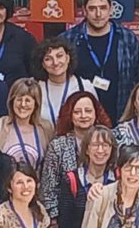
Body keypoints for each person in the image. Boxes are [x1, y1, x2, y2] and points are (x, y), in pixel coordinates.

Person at [61, 0, 139, 124]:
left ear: (111, 9)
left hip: (121, 116)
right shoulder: (68, 39)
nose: (98, 14)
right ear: (84, 10)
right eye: (92, 8)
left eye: (103, 8)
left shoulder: (127, 38)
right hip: (81, 118)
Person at [39, 90, 112, 221]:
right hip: (67, 217)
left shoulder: (109, 141)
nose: (83, 115)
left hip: (105, 215)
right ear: (70, 115)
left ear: (96, 114)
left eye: (88, 111)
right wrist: (56, 221)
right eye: (77, 112)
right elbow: (48, 190)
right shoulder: (58, 146)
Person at [32, 37, 96, 126]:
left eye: (59, 56)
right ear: (42, 64)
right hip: (43, 139)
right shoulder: (35, 88)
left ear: (68, 58)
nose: (55, 62)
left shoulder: (84, 86)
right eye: (48, 59)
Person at [0, 77, 52, 171]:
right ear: (12, 101)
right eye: (19, 99)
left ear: (36, 104)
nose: (23, 105)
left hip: (34, 184)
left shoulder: (45, 128)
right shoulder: (0, 125)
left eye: (28, 100)